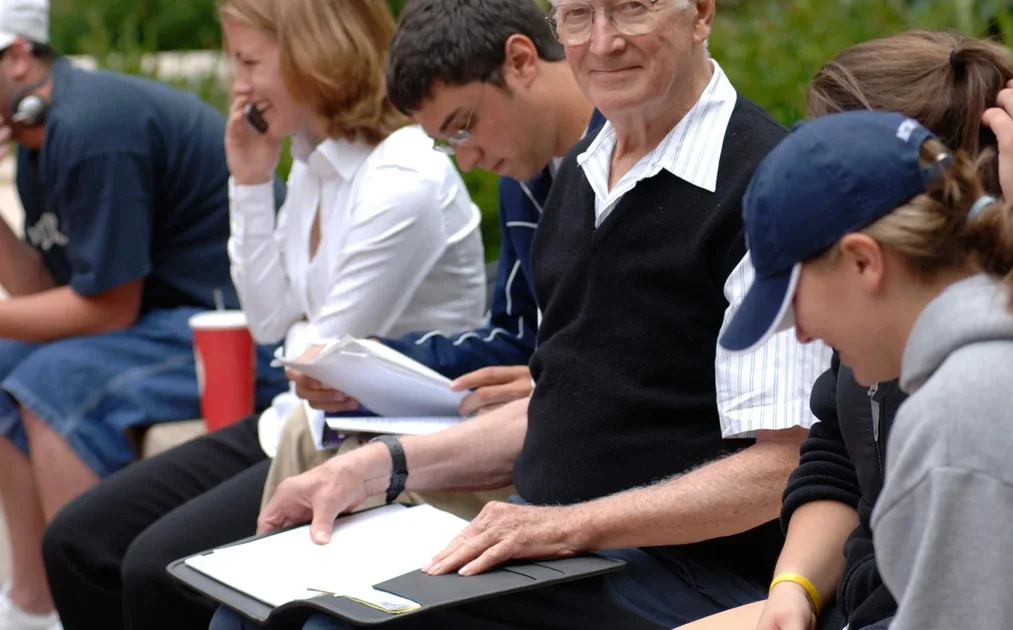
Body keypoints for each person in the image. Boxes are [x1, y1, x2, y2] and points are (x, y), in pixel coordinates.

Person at [212, 0, 830, 627]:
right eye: (579, 15)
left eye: (631, 9)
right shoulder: (586, 170)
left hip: (690, 572)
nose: (603, 41)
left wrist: (565, 527)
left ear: (700, 13)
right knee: (247, 612)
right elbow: (561, 405)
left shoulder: (763, 194)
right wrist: (377, 467)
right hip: (559, 545)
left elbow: (786, 463)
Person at [682, 30, 1013, 630]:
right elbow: (841, 446)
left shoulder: (974, 397)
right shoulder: (981, 328)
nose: (800, 335)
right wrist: (793, 587)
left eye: (796, 297)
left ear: (866, 257)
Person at [39, 0, 487, 628]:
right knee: (76, 540)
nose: (236, 84)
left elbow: (316, 351)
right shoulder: (312, 161)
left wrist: (300, 345)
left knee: (153, 570)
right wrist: (248, 180)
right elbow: (271, 324)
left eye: (249, 61)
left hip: (374, 446)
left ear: (315, 54)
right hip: (298, 422)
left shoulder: (403, 175)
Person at [0, 0, 289, 627]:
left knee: (54, 381)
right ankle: (32, 604)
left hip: (241, 327)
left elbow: (104, 310)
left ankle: (87, 602)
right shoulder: (36, 142)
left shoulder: (92, 126)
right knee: (7, 361)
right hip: (158, 322)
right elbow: (37, 299)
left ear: (18, 56)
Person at [259, 0, 608, 506]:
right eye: (448, 143)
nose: (466, 160)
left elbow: (639, 356)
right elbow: (515, 340)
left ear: (521, 61)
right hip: (544, 417)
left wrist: (548, 382)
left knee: (377, 479)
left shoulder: (627, 156)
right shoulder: (526, 168)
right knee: (320, 437)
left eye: (464, 125)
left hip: (593, 442)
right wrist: (371, 366)